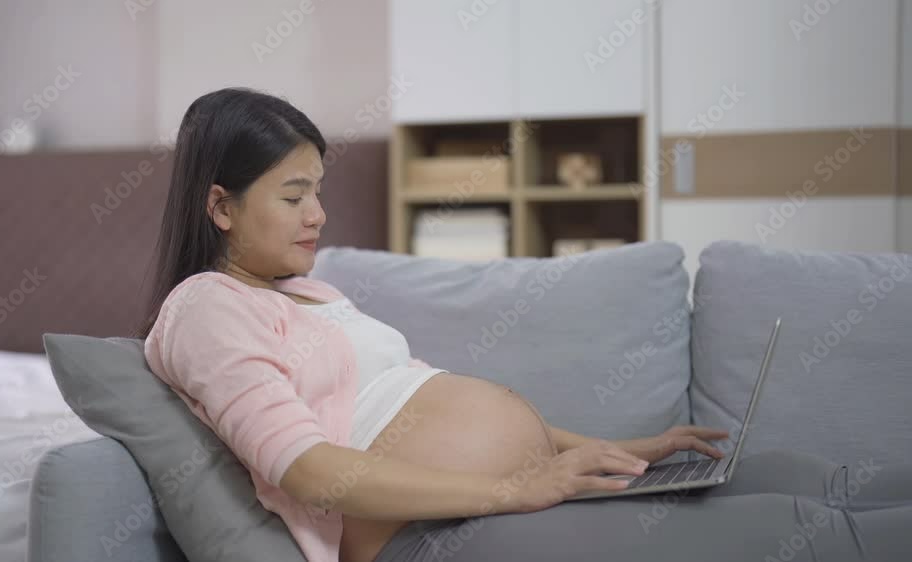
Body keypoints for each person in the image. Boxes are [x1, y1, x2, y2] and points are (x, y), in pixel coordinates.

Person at [137, 87, 912, 562]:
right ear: (221, 205)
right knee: (806, 533)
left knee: (798, 478)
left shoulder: (308, 293)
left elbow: (413, 397)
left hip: (495, 505)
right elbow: (308, 471)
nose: (319, 214)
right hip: (426, 541)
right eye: (294, 195)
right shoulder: (206, 309)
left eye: (319, 190)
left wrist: (611, 450)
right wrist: (513, 486)